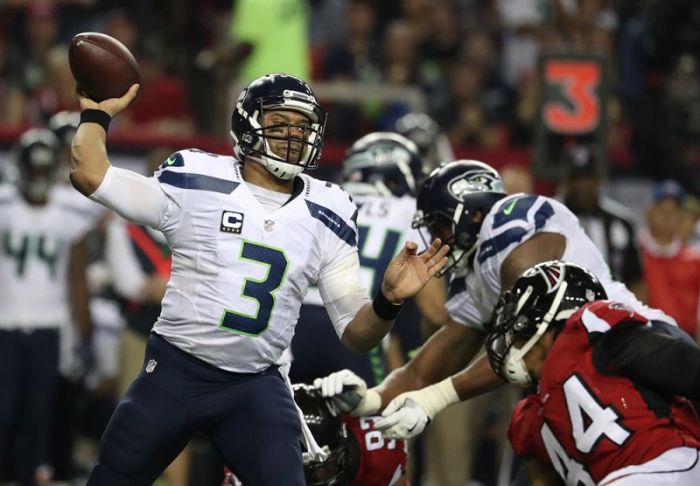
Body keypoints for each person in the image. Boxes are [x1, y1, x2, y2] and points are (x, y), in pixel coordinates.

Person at [69, 73, 448, 485]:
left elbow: (357, 335)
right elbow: (92, 174)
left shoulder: (329, 208)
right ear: (249, 126)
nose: (293, 136)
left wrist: (388, 301)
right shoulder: (198, 177)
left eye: (302, 126)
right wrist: (95, 113)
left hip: (254, 386)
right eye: (280, 123)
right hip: (177, 370)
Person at [315, 159, 679, 442]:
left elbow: (529, 338)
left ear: (473, 213)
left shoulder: (511, 229)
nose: (437, 239)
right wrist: (371, 399)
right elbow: (425, 368)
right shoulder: (476, 273)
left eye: (441, 225)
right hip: (579, 385)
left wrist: (435, 399)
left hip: (636, 346)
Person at [488, 260, 700, 485]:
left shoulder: (591, 330)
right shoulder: (530, 417)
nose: (516, 345)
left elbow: (688, 367)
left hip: (667, 465)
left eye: (522, 331)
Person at [290, 131, 447, 388]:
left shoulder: (319, 198)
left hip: (293, 327)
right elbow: (436, 312)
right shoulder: (411, 212)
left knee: (283, 422)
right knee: (373, 421)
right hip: (355, 331)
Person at [0, 128, 94, 486]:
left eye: (44, 171)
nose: (38, 179)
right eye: (33, 170)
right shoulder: (5, 204)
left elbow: (76, 277)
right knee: (4, 409)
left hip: (49, 324)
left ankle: (31, 473)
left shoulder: (69, 210)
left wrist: (83, 331)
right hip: (5, 322)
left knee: (39, 411)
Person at [223, 383, 408, 485]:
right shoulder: (249, 461)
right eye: (308, 475)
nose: (318, 482)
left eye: (322, 470)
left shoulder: (377, 448)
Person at [557, 143, 645, 297]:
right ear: (565, 181)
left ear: (600, 180)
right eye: (575, 178)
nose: (582, 186)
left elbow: (636, 278)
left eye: (587, 178)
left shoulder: (622, 221)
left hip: (613, 308)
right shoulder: (550, 219)